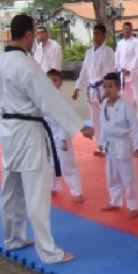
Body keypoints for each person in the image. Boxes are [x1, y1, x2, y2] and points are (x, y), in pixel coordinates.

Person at [0, 14, 94, 264]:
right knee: (36, 192)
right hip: (27, 132)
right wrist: (79, 126)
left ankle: (13, 238)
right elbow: (50, 98)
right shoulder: (25, 65)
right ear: (28, 34)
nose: (34, 39)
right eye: (34, 33)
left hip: (7, 130)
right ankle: (48, 252)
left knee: (11, 188)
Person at [99, 72, 138, 217]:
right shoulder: (104, 104)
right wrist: (101, 141)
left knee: (128, 176)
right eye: (105, 86)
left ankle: (133, 206)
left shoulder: (126, 105)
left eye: (110, 86)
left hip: (123, 142)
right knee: (111, 175)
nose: (107, 89)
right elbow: (103, 125)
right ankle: (115, 201)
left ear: (118, 87)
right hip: (110, 143)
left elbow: (135, 126)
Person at [73, 23, 115, 155]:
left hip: (102, 88)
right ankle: (100, 146)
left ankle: (109, 146)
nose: (95, 36)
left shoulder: (108, 52)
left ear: (104, 35)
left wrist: (107, 90)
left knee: (106, 118)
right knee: (95, 119)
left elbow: (109, 71)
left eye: (98, 33)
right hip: (91, 89)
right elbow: (84, 71)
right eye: (94, 33)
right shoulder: (89, 52)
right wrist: (77, 88)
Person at [45, 69, 84, 203]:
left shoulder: (61, 99)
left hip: (62, 135)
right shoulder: (45, 97)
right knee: (52, 163)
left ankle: (77, 191)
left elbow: (65, 120)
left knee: (67, 164)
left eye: (54, 80)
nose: (51, 83)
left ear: (60, 83)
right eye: (48, 81)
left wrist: (63, 138)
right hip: (50, 134)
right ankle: (53, 186)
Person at [114, 21, 138, 118]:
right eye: (125, 28)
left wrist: (130, 69)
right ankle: (127, 118)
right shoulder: (120, 43)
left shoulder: (137, 42)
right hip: (123, 74)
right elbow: (117, 57)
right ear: (122, 30)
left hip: (134, 73)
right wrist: (119, 69)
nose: (127, 30)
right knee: (124, 98)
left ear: (132, 30)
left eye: (129, 29)